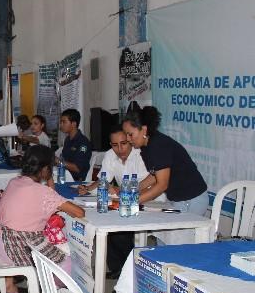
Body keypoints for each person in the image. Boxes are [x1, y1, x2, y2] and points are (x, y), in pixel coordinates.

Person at [0, 145, 85, 293]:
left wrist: (48, 180)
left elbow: (51, 197)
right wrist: (49, 180)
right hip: (16, 247)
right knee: (67, 264)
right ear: (45, 169)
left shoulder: (15, 181)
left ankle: (48, 286)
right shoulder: (42, 192)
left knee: (50, 241)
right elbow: (79, 212)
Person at [78, 124, 151, 279]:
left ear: (130, 140)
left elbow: (148, 184)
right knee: (107, 220)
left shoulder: (141, 155)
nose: (120, 149)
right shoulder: (110, 155)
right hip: (125, 199)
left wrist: (122, 191)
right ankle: (118, 268)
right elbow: (104, 178)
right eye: (115, 145)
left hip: (148, 199)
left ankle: (130, 270)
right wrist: (88, 188)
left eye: (123, 143)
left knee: (120, 230)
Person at [122, 106, 208, 214]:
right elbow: (155, 174)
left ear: (144, 130)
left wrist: (132, 201)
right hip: (177, 199)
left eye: (130, 134)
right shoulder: (146, 146)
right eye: (126, 135)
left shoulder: (158, 145)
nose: (128, 139)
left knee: (179, 231)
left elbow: (162, 185)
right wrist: (134, 189)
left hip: (192, 199)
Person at [56, 108, 92, 181]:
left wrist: (57, 161)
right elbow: (64, 159)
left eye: (64, 122)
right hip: (65, 175)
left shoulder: (83, 142)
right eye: (61, 122)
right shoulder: (67, 140)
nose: (61, 125)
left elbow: (77, 168)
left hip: (76, 180)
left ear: (74, 124)